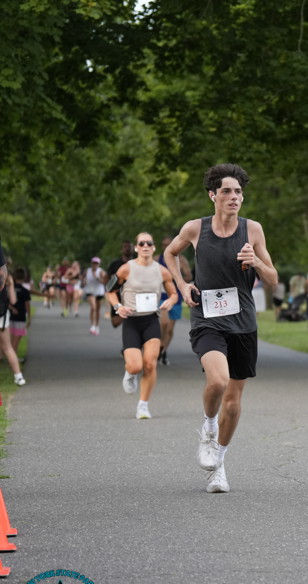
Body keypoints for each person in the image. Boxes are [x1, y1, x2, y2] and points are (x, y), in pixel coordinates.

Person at [163, 163, 278, 494]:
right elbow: (170, 253)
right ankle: (208, 428)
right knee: (218, 381)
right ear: (212, 195)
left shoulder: (252, 230)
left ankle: (219, 465)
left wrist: (256, 262)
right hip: (207, 318)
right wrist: (183, 285)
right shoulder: (195, 229)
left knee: (233, 401)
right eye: (226, 191)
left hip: (243, 322)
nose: (234, 197)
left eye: (238, 191)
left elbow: (272, 278)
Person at [105, 232, 178, 419]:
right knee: (136, 366)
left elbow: (174, 294)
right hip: (131, 321)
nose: (145, 246)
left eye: (149, 243)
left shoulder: (162, 271)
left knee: (150, 364)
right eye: (141, 243)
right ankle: (130, 373)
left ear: (154, 247)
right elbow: (109, 291)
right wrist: (118, 306)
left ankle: (143, 406)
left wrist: (170, 301)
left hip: (151, 320)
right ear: (136, 248)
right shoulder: (125, 269)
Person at [157, 233, 192, 365]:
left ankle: (163, 351)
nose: (166, 247)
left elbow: (189, 276)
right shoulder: (157, 259)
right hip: (162, 295)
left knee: (170, 329)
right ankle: (159, 345)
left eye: (168, 244)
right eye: (164, 245)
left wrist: (176, 277)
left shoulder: (181, 260)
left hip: (176, 297)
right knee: (164, 323)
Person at [0, 263, 26, 386]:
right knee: (8, 347)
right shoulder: (7, 278)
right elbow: (14, 300)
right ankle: (18, 376)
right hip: (2, 315)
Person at [107, 241, 135, 329]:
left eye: (129, 246)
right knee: (115, 322)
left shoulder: (138, 263)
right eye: (125, 247)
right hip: (118, 295)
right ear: (121, 250)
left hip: (134, 296)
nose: (128, 249)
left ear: (134, 249)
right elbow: (108, 281)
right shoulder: (114, 264)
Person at [10, 268, 31, 361]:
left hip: (9, 316)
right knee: (16, 340)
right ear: (24, 277)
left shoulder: (9, 289)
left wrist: (11, 308)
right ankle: (13, 359)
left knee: (10, 339)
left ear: (14, 277)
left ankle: (8, 357)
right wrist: (29, 317)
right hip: (20, 317)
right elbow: (27, 305)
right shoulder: (25, 291)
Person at [82, 257, 106, 335]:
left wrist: (98, 278)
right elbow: (82, 278)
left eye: (96, 263)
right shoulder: (87, 271)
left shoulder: (101, 271)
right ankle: (92, 325)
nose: (95, 265)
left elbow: (105, 281)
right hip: (90, 291)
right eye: (93, 263)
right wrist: (83, 282)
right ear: (91, 263)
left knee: (97, 310)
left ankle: (97, 326)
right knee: (93, 307)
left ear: (99, 264)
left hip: (99, 292)